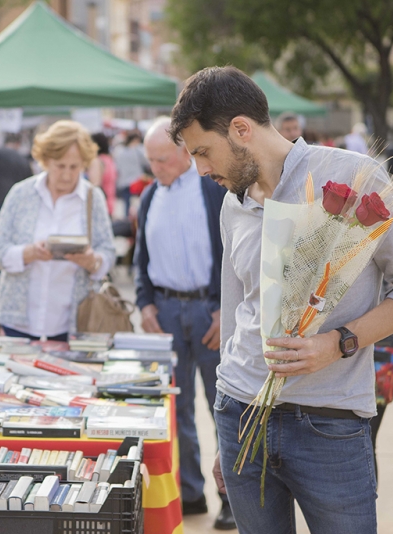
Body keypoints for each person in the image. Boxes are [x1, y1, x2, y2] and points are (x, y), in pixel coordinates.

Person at [169, 66, 393, 534]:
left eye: (202, 152)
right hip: (241, 415)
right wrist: (226, 436)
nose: (201, 169)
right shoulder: (233, 203)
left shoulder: (354, 177)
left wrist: (339, 343)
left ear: (241, 129)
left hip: (329, 426)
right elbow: (236, 315)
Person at [134, 117, 233, 528]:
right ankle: (189, 494)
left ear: (182, 151)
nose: (155, 167)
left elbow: (233, 253)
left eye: (161, 159)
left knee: (223, 409)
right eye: (150, 161)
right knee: (177, 412)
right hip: (168, 314)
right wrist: (145, 304)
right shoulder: (149, 197)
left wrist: (226, 309)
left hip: (209, 311)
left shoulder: (212, 189)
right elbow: (141, 258)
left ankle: (230, 499)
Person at [0, 120, 115, 341]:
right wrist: (29, 253)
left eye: (74, 167)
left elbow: (108, 252)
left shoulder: (93, 199)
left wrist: (92, 261)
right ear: (45, 161)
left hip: (72, 325)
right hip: (17, 323)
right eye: (60, 166)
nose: (67, 175)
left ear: (84, 164)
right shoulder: (20, 194)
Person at [113, 131, 148, 216]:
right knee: (138, 207)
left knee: (127, 207)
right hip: (136, 182)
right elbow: (146, 162)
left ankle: (128, 225)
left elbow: (117, 167)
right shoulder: (138, 150)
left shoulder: (119, 151)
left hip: (123, 182)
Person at [88, 133, 117, 216]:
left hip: (100, 205)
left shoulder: (97, 161)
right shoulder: (109, 159)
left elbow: (94, 185)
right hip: (110, 204)